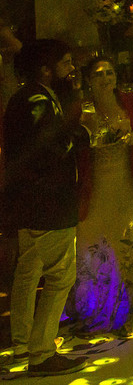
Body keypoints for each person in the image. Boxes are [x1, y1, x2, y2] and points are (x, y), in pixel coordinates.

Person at [2, 40, 88, 375]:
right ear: (45, 69)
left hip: (31, 203)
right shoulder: (37, 100)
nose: (71, 69)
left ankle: (24, 343)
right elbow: (45, 149)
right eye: (65, 63)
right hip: (47, 204)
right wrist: (79, 133)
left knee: (29, 270)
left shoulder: (28, 97)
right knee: (61, 276)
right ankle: (41, 353)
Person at [72, 55, 133, 335]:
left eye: (109, 73)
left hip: (129, 184)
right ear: (89, 80)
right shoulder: (81, 108)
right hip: (94, 187)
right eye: (98, 74)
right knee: (93, 248)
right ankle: (96, 312)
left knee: (130, 249)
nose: (105, 78)